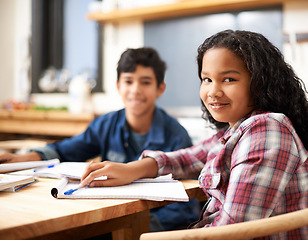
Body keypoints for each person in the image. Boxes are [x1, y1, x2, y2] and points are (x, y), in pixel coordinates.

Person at [79, 30, 308, 239]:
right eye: (206, 79)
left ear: (260, 82)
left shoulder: (267, 130)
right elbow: (191, 157)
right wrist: (133, 169)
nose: (213, 92)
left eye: (228, 79)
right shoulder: (240, 127)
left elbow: (231, 231)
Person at [0, 47, 199, 232]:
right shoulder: (106, 124)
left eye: (145, 82)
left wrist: (131, 228)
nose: (136, 90)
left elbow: (183, 208)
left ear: (160, 88)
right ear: (118, 86)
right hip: (106, 218)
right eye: (128, 81)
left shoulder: (176, 136)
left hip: (146, 228)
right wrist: (24, 158)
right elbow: (65, 150)